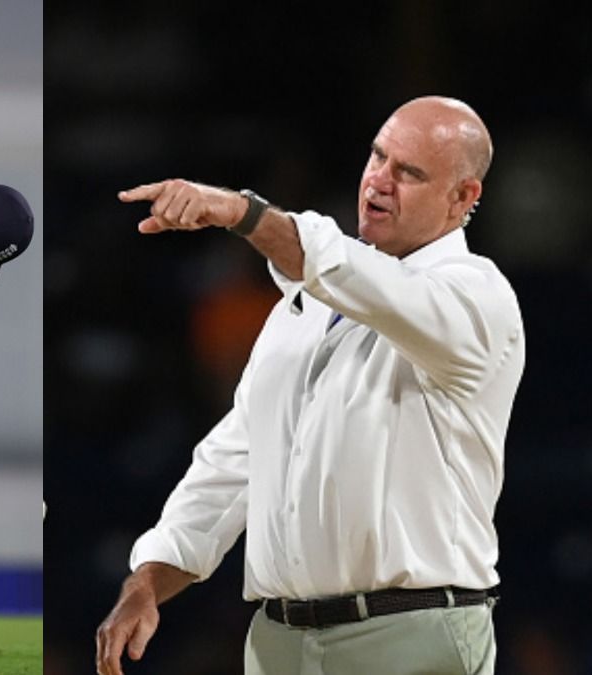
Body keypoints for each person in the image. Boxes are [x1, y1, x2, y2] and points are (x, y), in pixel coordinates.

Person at [96, 96, 524, 675]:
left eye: (409, 172)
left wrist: (240, 212)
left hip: (411, 636)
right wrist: (147, 581)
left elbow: (355, 274)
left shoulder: (477, 296)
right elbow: (232, 463)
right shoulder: (303, 307)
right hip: (278, 643)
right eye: (378, 156)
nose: (379, 180)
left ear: (462, 196)